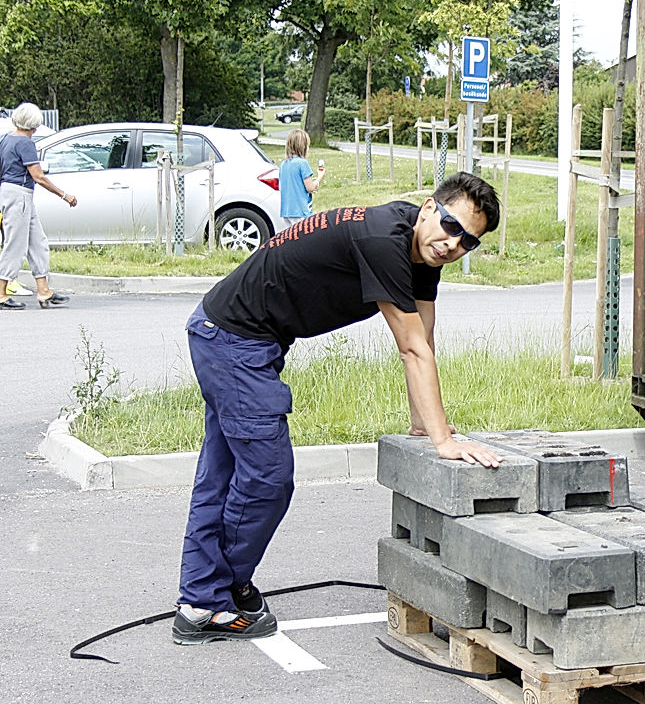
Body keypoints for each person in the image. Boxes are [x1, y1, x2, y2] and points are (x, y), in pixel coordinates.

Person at [172, 171, 504, 645]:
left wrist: (422, 423)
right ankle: (209, 600)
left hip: (232, 335)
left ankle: (204, 595)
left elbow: (423, 338)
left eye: (468, 241)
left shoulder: (422, 252)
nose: (454, 244)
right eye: (452, 227)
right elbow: (411, 348)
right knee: (267, 476)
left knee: (223, 475)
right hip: (233, 341)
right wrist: (444, 441)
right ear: (429, 207)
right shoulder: (382, 241)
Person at [0, 102, 76, 309]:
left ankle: (44, 291)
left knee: (38, 243)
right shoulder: (25, 143)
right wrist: (64, 195)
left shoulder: (6, 139)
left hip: (11, 192)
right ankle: (1, 293)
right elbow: (38, 176)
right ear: (33, 125)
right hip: (19, 195)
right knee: (15, 245)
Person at [278, 129, 323, 226]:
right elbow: (310, 187)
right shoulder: (302, 163)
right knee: (305, 239)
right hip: (300, 210)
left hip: (286, 211)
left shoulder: (283, 164)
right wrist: (319, 178)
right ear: (303, 146)